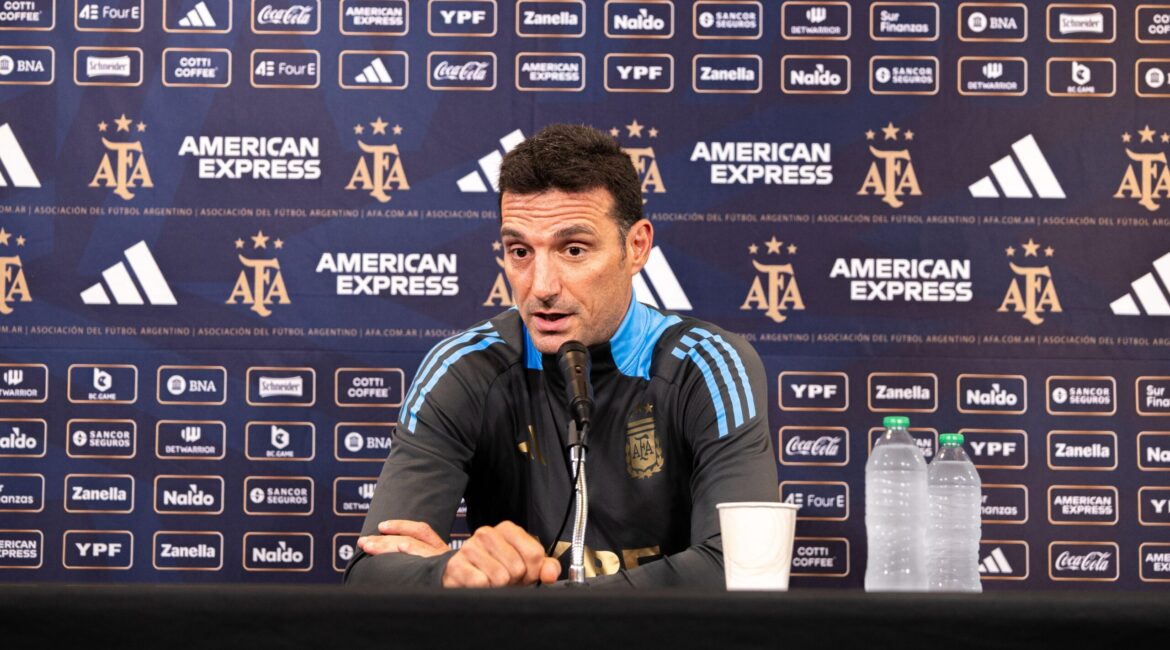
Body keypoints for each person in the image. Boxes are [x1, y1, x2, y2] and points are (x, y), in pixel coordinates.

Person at [344, 124, 777, 588]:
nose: (542, 286)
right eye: (520, 251)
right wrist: (448, 572)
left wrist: (534, 601)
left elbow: (744, 570)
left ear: (636, 247)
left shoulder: (708, 366)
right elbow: (371, 574)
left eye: (574, 249)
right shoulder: (464, 368)